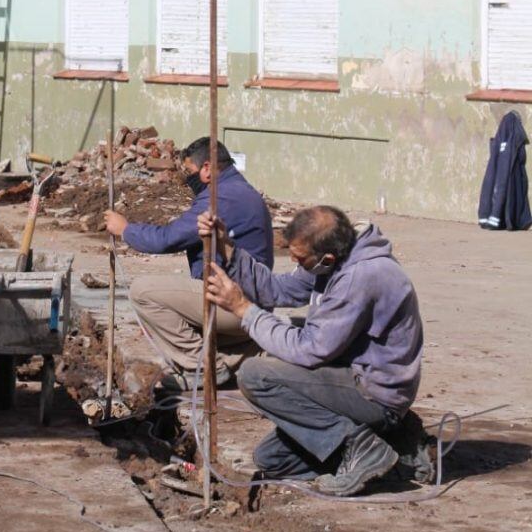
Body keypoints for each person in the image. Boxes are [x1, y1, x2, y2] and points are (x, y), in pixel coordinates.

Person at [200, 204, 424, 496]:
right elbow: (277, 290)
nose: (294, 261)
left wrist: (243, 309)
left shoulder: (361, 276)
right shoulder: (337, 256)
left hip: (375, 393)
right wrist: (227, 248)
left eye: (300, 258)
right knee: (273, 460)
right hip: (352, 377)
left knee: (256, 375)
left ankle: (364, 448)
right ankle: (397, 449)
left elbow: (309, 350)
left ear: (326, 257)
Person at [104, 137, 274, 390]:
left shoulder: (221, 198)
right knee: (170, 315)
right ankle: (242, 355)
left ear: (207, 168)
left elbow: (168, 239)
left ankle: (206, 367)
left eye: (189, 172)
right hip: (252, 302)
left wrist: (126, 229)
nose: (187, 178)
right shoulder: (238, 190)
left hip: (236, 302)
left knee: (143, 292)